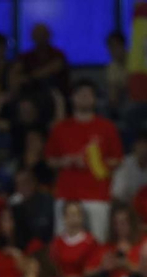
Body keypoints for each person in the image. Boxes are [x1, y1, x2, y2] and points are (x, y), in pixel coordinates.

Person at [45, 81, 120, 242]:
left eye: (89, 94)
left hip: (97, 196)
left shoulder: (106, 127)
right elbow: (50, 159)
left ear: (94, 99)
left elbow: (117, 160)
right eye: (81, 94)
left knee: (97, 242)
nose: (85, 98)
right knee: (63, 242)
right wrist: (64, 161)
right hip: (67, 195)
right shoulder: (61, 128)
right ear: (73, 98)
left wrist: (93, 162)